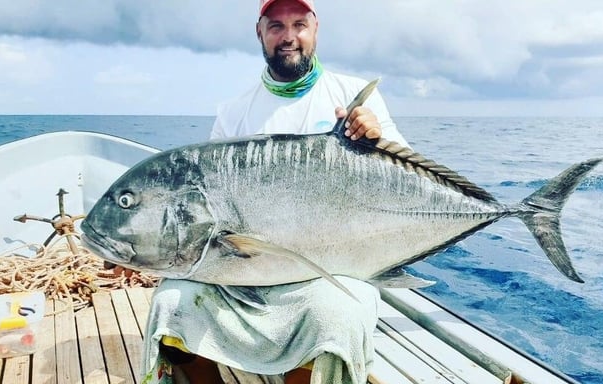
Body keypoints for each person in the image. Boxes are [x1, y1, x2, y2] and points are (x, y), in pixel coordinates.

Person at [140, 1, 410, 383]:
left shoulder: (352, 95)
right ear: (260, 32)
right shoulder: (235, 113)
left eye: (299, 24)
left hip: (330, 266)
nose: (288, 37)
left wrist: (376, 137)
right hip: (249, 270)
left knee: (335, 315)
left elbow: (408, 172)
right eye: (276, 26)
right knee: (172, 302)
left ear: (315, 28)